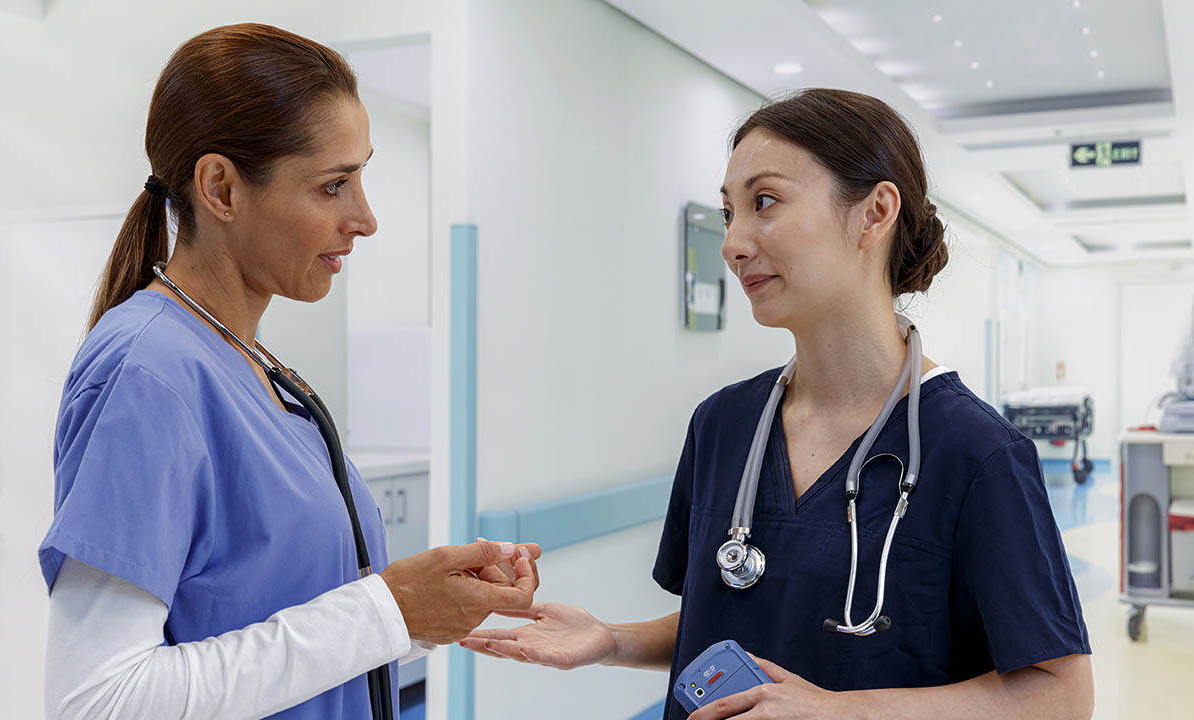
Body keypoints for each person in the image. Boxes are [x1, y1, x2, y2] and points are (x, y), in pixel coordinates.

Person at [461, 89, 1094, 719]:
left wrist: (845, 713)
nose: (733, 242)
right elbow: (736, 616)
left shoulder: (976, 453)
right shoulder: (724, 424)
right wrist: (613, 640)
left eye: (764, 202)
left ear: (875, 213)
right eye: (728, 212)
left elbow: (1061, 693)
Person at [37, 24, 540, 720]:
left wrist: (425, 610)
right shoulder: (148, 372)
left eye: (361, 177)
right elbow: (98, 701)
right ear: (221, 187)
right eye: (334, 185)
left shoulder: (253, 362)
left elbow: (284, 621)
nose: (365, 219)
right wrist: (386, 610)